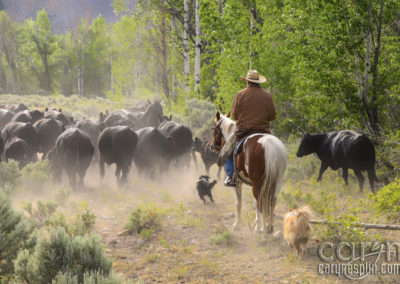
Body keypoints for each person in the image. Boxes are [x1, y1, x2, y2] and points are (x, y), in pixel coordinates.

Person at [218, 70, 277, 187]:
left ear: (248, 82)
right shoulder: (267, 95)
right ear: (258, 82)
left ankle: (231, 176)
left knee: (229, 151)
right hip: (263, 131)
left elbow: (234, 115)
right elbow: (272, 116)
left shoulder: (240, 94)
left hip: (243, 131)